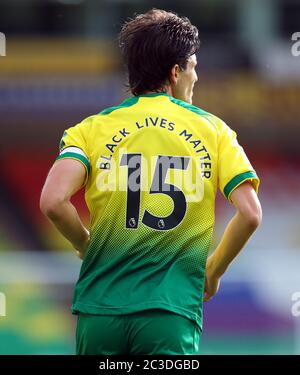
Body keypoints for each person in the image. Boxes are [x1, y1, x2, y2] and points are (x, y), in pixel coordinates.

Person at [40, 9, 262, 355]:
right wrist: (214, 271)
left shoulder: (91, 129)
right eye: (193, 66)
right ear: (176, 72)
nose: (196, 76)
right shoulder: (214, 131)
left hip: (100, 311)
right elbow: (250, 213)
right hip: (169, 311)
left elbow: (53, 201)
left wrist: (86, 245)